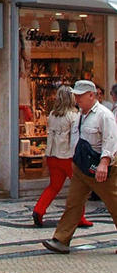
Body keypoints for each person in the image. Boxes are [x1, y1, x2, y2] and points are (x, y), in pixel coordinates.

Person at [43, 79, 117, 254]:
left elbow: (110, 140)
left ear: (91, 95)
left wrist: (104, 163)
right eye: (76, 96)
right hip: (81, 168)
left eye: (80, 96)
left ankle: (61, 239)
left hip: (100, 168)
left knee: (114, 203)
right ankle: (61, 239)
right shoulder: (79, 115)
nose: (77, 100)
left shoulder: (104, 115)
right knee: (73, 203)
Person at [32, 85, 92, 228]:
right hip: (68, 157)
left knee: (54, 186)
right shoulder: (74, 115)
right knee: (80, 188)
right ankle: (80, 218)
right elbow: (75, 138)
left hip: (53, 156)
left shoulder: (52, 114)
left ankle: (39, 210)